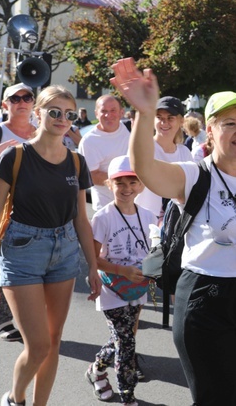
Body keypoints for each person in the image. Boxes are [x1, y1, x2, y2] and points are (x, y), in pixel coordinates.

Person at [110, 58, 236, 405]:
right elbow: (144, 167)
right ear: (210, 129)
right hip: (206, 296)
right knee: (218, 395)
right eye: (229, 123)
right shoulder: (192, 175)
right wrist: (143, 112)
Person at [0, 85, 101, 406]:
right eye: (54, 112)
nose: (62, 119)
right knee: (37, 346)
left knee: (52, 342)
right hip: (22, 252)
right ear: (38, 115)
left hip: (64, 254)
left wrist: (92, 266)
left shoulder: (77, 163)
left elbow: (81, 218)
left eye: (68, 114)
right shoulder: (15, 156)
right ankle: (15, 397)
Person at [87, 155, 156, 406]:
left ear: (141, 185)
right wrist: (121, 270)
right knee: (127, 342)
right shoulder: (103, 217)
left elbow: (153, 253)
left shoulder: (148, 216)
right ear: (109, 184)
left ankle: (95, 369)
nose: (127, 189)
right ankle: (128, 397)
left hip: (137, 287)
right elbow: (93, 258)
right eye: (120, 183)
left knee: (121, 338)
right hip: (112, 288)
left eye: (132, 182)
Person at [0, 83, 38, 344]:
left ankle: (25, 316)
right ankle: (2, 320)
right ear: (5, 105)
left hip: (29, 208)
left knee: (21, 263)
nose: (21, 101)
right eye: (14, 98)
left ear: (33, 103)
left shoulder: (41, 134)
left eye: (26, 97)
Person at [135, 96, 193, 220]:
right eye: (159, 118)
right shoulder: (144, 148)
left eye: (170, 118)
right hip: (144, 220)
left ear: (181, 121)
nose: (164, 122)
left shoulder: (185, 153)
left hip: (175, 221)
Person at [78, 95, 130, 211]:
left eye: (113, 110)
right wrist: (126, 180)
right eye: (104, 111)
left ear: (121, 112)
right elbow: (91, 175)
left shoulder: (130, 130)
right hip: (106, 208)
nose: (108, 115)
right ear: (96, 113)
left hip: (134, 206)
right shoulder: (89, 141)